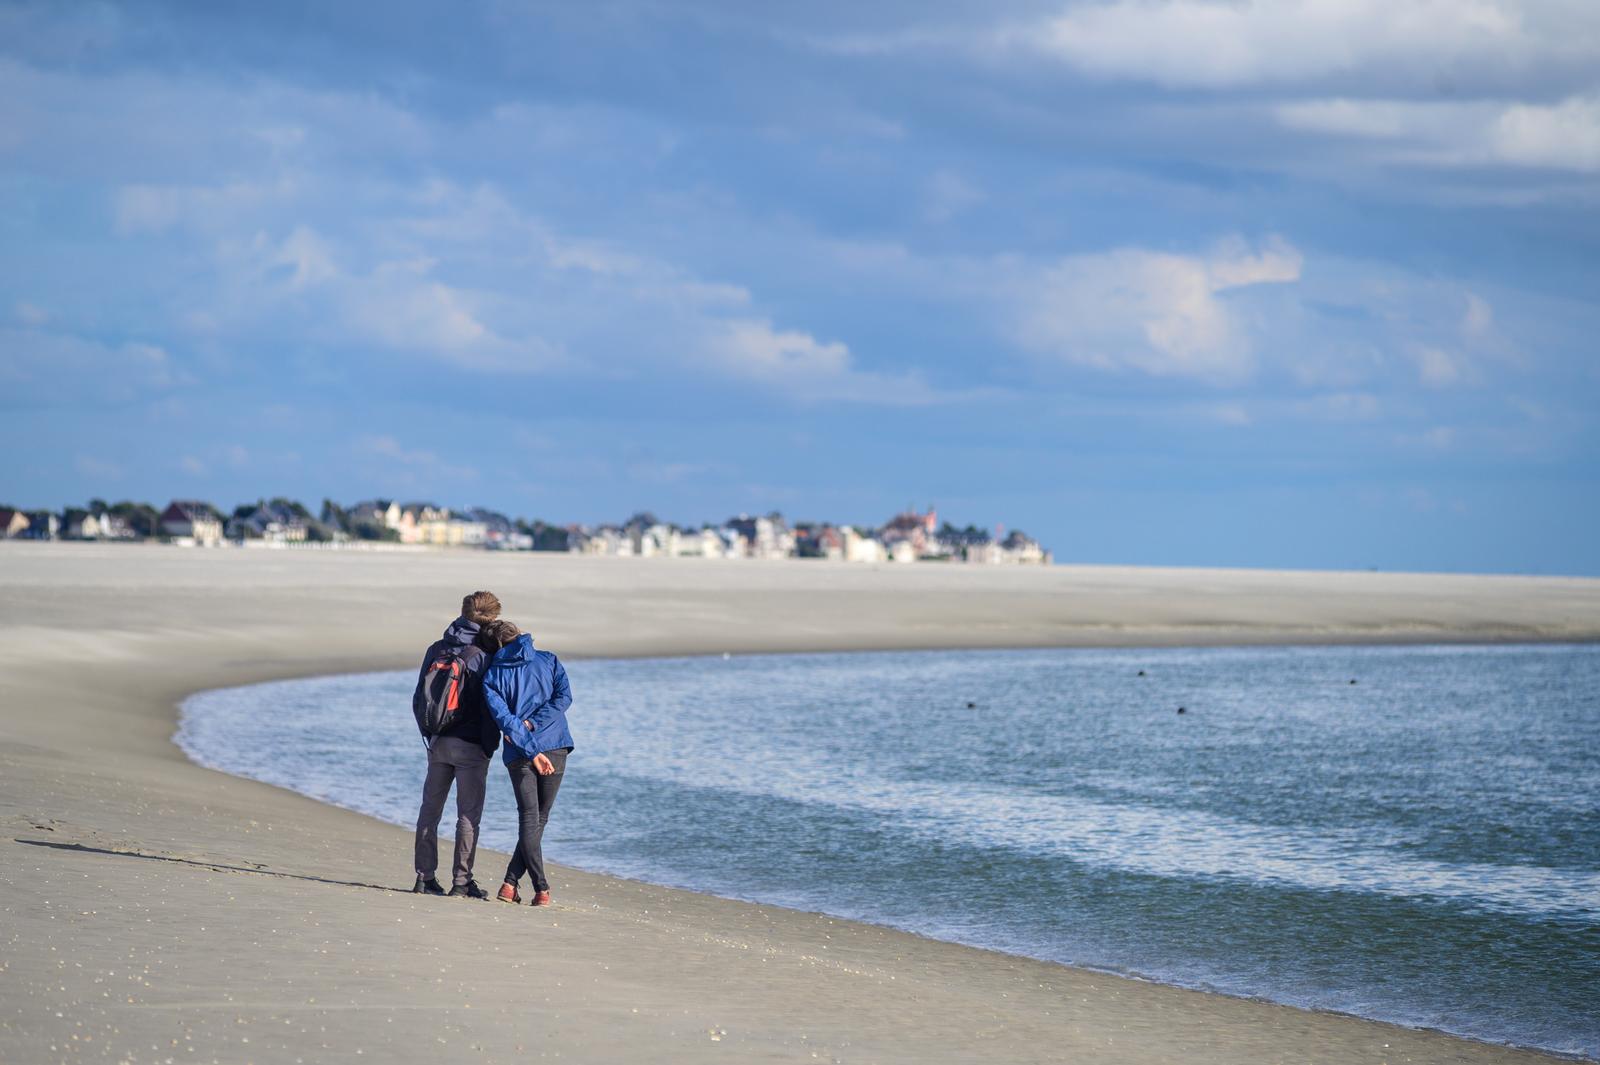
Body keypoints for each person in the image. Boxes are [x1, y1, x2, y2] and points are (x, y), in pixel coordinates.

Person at [410, 590, 502, 898]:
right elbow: (490, 705)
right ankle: (461, 882)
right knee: (468, 816)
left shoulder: (438, 648)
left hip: (438, 741)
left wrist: (429, 734)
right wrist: (489, 744)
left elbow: (418, 697)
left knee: (430, 810)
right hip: (471, 745)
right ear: (493, 618)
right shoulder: (485, 654)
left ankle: (424, 878)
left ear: (463, 613)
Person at [479, 619, 574, 907]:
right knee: (537, 819)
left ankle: (511, 884)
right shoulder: (548, 660)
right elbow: (564, 699)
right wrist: (533, 732)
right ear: (519, 635)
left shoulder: (492, 675)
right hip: (553, 745)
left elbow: (506, 721)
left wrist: (528, 731)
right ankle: (539, 888)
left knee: (531, 819)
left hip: (519, 750)